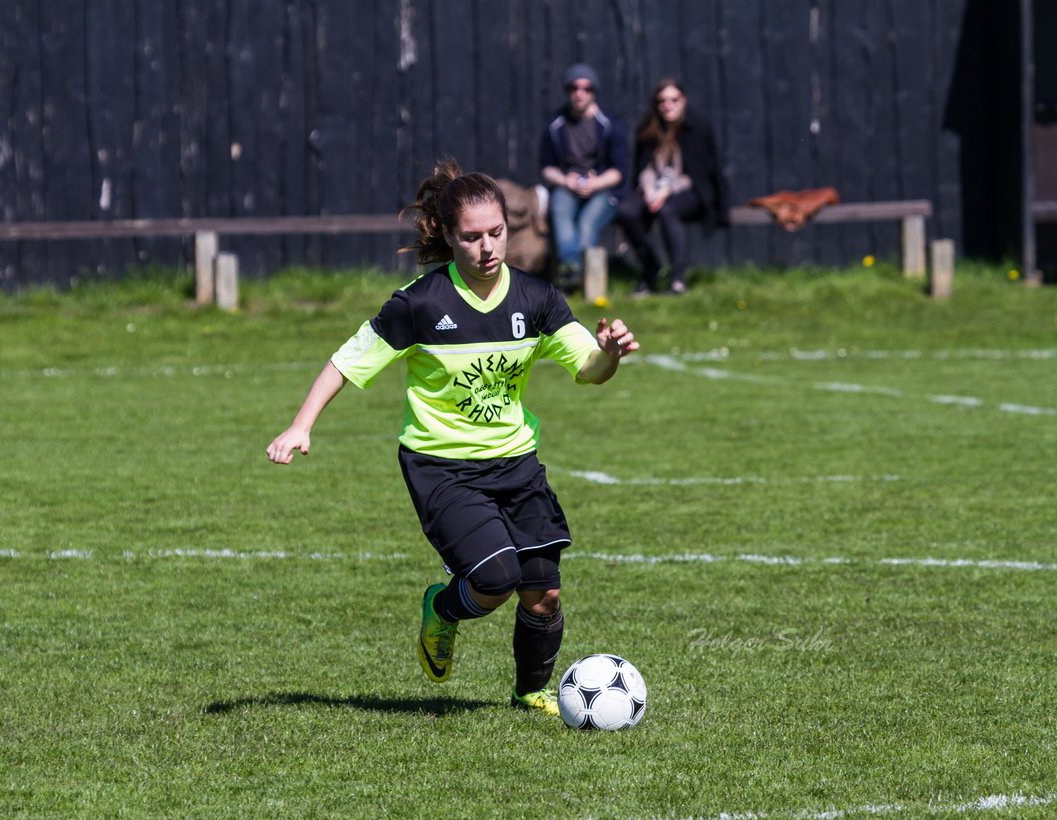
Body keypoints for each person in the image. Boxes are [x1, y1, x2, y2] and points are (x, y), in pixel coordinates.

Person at [266, 159, 639, 716]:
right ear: (445, 234)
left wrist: (609, 355)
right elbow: (346, 361)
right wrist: (301, 424)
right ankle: (442, 608)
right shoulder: (420, 303)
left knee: (544, 593)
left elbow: (587, 368)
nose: (488, 247)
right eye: (472, 236)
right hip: (441, 468)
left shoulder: (536, 298)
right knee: (494, 578)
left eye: (497, 232)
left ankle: (529, 691)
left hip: (516, 463)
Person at [616, 77, 729, 296]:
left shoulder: (697, 127)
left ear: (683, 100)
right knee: (627, 211)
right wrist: (649, 189)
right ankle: (650, 267)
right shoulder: (649, 128)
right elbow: (644, 168)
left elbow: (699, 174)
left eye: (673, 100)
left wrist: (666, 191)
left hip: (690, 190)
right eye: (662, 101)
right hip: (653, 188)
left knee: (669, 211)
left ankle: (678, 278)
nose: (668, 105)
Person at [539, 63, 628, 290]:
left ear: (594, 91)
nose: (580, 93)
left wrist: (595, 183)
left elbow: (619, 172)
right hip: (567, 186)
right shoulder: (555, 124)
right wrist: (565, 180)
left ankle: (588, 279)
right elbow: (546, 168)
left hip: (603, 189)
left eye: (586, 88)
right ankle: (572, 269)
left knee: (588, 223)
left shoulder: (610, 125)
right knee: (560, 208)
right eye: (574, 88)